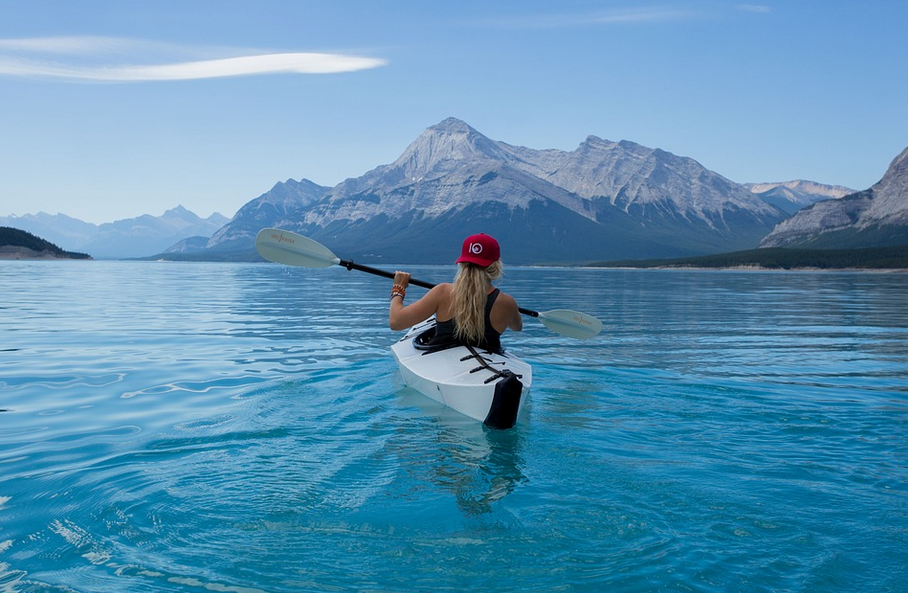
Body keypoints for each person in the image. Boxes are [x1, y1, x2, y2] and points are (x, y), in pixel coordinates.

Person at [388, 233, 522, 353]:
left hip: (441, 362)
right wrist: (511, 311)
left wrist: (398, 289)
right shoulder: (506, 303)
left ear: (462, 263)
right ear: (496, 266)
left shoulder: (443, 292)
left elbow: (396, 322)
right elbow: (517, 327)